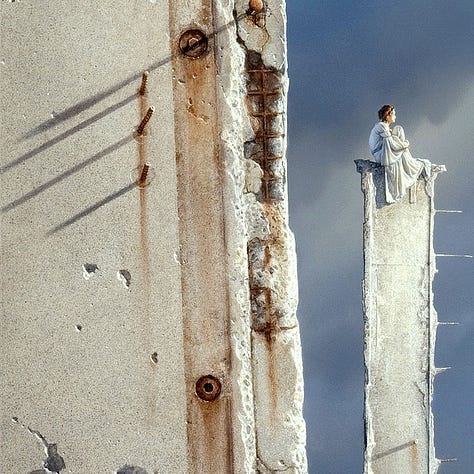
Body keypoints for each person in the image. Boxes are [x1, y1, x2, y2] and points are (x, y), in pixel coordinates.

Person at [369, 105, 433, 203]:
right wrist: (405, 144)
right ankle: (411, 165)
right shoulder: (381, 127)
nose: (395, 117)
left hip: (384, 151)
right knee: (397, 145)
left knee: (398, 129)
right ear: (387, 116)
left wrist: (402, 145)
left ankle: (410, 162)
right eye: (394, 114)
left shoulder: (385, 127)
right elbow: (393, 146)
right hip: (380, 154)